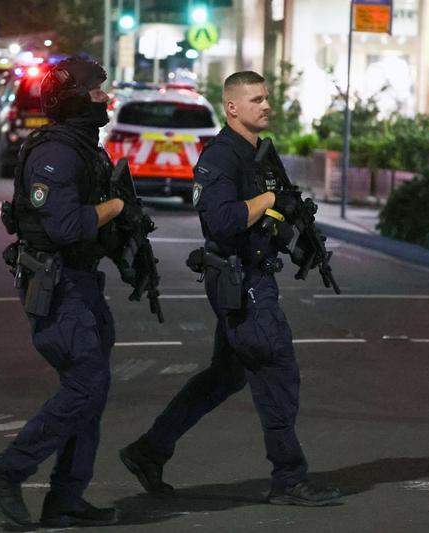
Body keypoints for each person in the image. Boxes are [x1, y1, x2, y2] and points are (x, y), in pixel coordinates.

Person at [118, 71, 341, 506]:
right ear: (233, 107)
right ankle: (289, 477)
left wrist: (298, 226)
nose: (266, 106)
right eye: (256, 99)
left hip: (255, 273)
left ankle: (149, 450)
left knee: (225, 375)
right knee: (275, 369)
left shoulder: (261, 154)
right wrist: (270, 203)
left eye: (266, 98)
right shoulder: (219, 158)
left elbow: (284, 203)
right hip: (240, 279)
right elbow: (220, 221)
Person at [0, 57, 130, 528]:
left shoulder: (85, 148)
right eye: (96, 91)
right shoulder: (57, 154)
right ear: (73, 100)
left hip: (82, 283)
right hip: (56, 285)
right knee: (86, 385)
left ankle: (66, 498)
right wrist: (118, 206)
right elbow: (66, 225)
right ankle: (9, 469)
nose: (105, 98)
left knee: (92, 391)